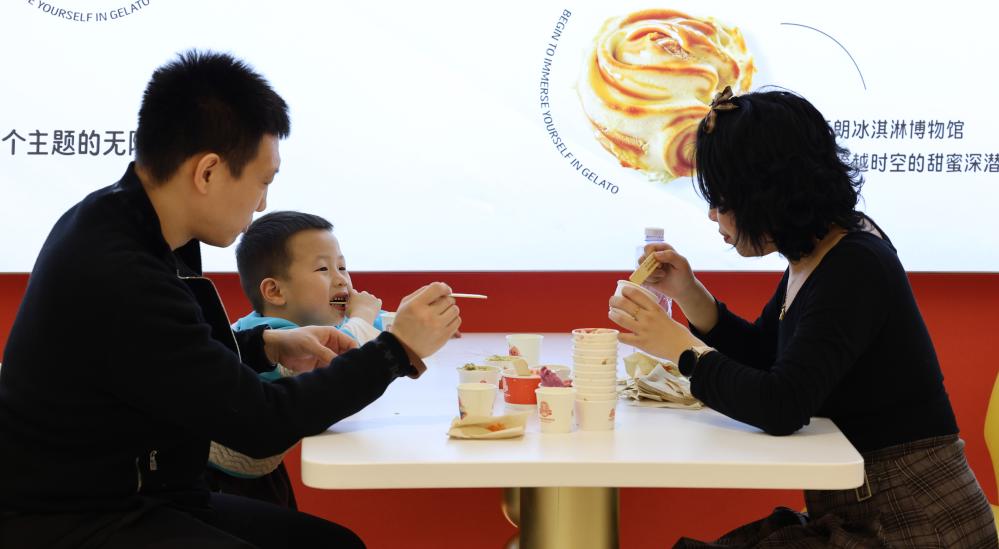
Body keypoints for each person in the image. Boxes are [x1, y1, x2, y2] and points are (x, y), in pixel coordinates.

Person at [0, 50, 460, 549]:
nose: (262, 203)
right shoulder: (119, 269)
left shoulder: (124, 221)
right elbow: (260, 423)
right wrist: (395, 350)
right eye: (262, 182)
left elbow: (165, 360)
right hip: (74, 516)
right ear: (208, 172)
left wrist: (263, 346)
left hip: (148, 492)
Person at [608, 87, 996, 547]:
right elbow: (768, 358)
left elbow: (781, 405)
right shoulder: (821, 249)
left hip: (915, 523)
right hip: (866, 509)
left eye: (723, 200)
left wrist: (681, 349)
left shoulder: (856, 264)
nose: (712, 216)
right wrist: (689, 294)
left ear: (768, 192)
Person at [206, 210, 388, 508]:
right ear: (275, 291)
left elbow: (363, 326)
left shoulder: (302, 324)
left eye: (342, 266)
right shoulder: (271, 333)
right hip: (217, 479)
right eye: (323, 269)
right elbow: (346, 358)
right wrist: (364, 318)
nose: (341, 279)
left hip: (261, 467)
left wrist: (405, 323)